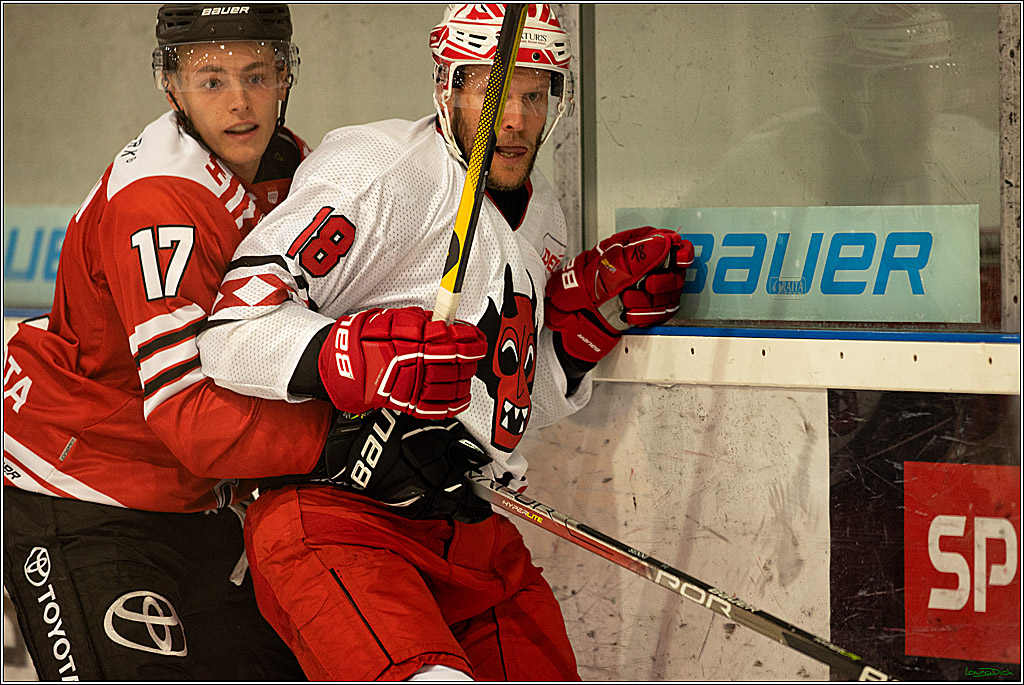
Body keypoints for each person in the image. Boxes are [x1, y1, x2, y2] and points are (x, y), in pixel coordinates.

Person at [196, 4, 693, 681]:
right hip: (341, 522)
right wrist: (353, 355)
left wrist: (584, 333)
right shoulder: (379, 174)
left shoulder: (541, 212)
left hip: (471, 535)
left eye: (533, 92)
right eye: (493, 92)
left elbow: (512, 404)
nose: (514, 118)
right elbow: (232, 335)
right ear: (448, 87)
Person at [2, 4, 336, 680]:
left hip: (193, 496)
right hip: (80, 487)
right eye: (211, 79)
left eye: (257, 75)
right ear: (172, 87)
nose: (240, 101)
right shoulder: (159, 200)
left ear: (285, 75)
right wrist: (351, 439)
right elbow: (191, 412)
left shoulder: (296, 167)